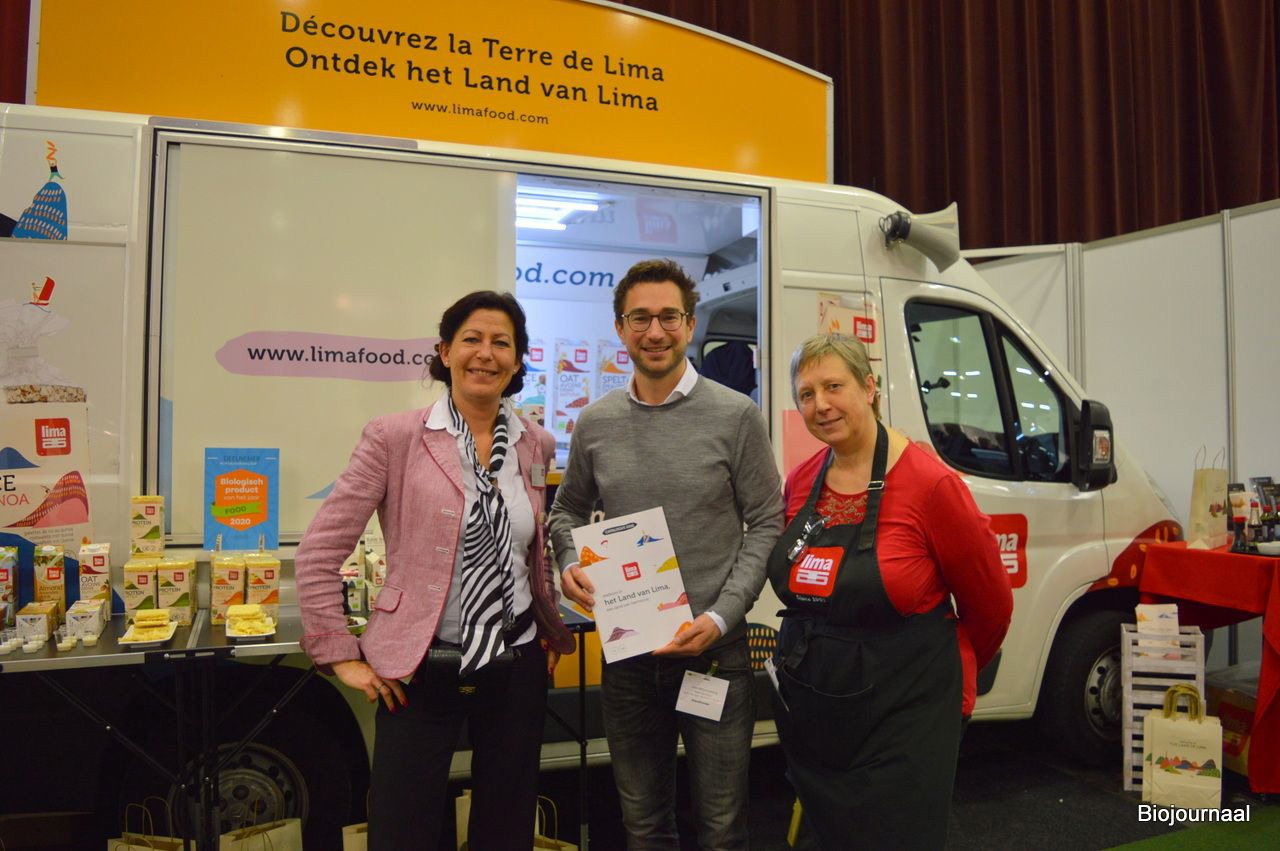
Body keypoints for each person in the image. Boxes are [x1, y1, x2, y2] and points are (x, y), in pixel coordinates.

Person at [295, 291, 575, 851]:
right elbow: (320, 550)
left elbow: (532, 548)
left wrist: (546, 622)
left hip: (516, 662)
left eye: (501, 343)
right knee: (403, 828)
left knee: (506, 827)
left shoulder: (536, 443)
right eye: (472, 339)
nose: (486, 354)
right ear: (445, 352)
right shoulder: (394, 436)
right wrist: (340, 654)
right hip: (417, 668)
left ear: (517, 360)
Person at [549, 258, 784, 850]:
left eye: (668, 317)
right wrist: (568, 562)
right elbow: (565, 511)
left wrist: (721, 617)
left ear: (690, 323)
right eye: (640, 318)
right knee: (644, 826)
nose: (655, 332)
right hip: (630, 659)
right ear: (620, 328)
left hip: (714, 654)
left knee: (722, 829)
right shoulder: (595, 423)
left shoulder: (736, 415)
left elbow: (767, 522)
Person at [768, 333, 1013, 849]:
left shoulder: (931, 484)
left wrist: (945, 673)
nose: (821, 404)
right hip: (819, 710)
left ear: (869, 387)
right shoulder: (802, 481)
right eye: (807, 394)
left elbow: (991, 605)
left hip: (907, 709)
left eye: (834, 386)